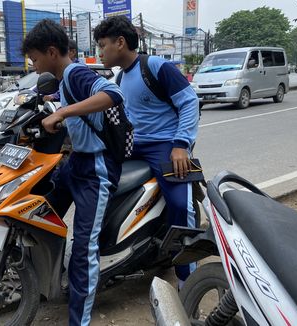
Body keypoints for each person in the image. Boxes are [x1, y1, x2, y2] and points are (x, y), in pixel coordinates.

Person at [22, 19, 124, 326]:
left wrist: (64, 112)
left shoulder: (76, 72)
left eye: (35, 58)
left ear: (52, 52)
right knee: (39, 213)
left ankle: (79, 320)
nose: (33, 64)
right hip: (76, 162)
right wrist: (56, 109)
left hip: (96, 168)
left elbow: (112, 94)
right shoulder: (63, 80)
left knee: (83, 248)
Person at [93, 16, 199, 288]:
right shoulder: (119, 77)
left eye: (102, 45)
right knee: (93, 179)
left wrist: (181, 145)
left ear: (120, 42)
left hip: (164, 144)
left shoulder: (155, 66)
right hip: (132, 145)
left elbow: (189, 103)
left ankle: (189, 277)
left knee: (180, 205)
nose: (100, 52)